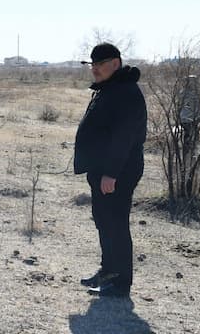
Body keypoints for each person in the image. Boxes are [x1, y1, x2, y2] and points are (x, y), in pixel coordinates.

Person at [75, 42, 147, 297]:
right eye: (91, 64)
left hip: (118, 171)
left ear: (115, 64)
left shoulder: (126, 92)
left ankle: (120, 283)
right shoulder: (109, 88)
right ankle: (108, 271)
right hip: (102, 169)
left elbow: (123, 138)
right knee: (104, 220)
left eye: (100, 64)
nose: (94, 69)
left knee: (116, 223)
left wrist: (111, 173)